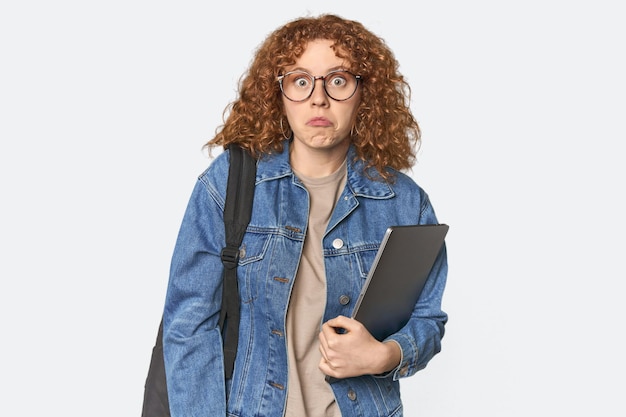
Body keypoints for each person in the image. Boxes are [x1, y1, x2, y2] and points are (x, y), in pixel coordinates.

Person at [162, 14, 448, 417]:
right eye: (300, 81)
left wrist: (384, 356)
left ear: (365, 93)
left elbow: (427, 319)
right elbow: (189, 327)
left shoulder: (403, 201)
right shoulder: (229, 183)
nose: (318, 98)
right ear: (277, 94)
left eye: (337, 80)